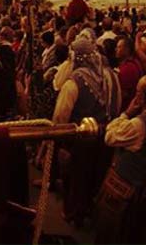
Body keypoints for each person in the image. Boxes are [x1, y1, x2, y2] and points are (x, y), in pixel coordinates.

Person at [96, 75, 146, 244]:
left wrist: (126, 113)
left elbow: (110, 137)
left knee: (108, 234)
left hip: (123, 191)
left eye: (138, 92)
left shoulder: (139, 124)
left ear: (141, 97)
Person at [52, 37, 121, 226]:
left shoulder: (73, 82)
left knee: (77, 179)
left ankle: (74, 214)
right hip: (105, 137)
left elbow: (60, 117)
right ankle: (91, 210)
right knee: (96, 177)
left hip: (80, 140)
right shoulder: (112, 76)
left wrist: (61, 140)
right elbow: (117, 106)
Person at [115, 36, 144, 110]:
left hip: (126, 107)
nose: (116, 49)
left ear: (127, 50)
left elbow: (124, 93)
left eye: (119, 47)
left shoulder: (128, 68)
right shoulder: (134, 62)